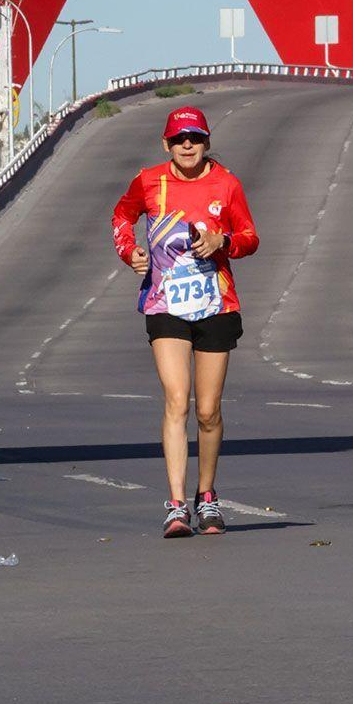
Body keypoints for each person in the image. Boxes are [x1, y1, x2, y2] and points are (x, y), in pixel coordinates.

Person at [112, 106, 259, 537]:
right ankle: (176, 505)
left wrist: (223, 241)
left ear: (207, 142)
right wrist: (130, 252)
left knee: (208, 411)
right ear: (166, 145)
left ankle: (207, 497)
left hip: (216, 304)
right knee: (178, 400)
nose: (187, 145)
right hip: (165, 304)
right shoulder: (148, 181)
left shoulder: (227, 183)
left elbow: (250, 237)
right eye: (179, 139)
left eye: (194, 137)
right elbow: (122, 216)